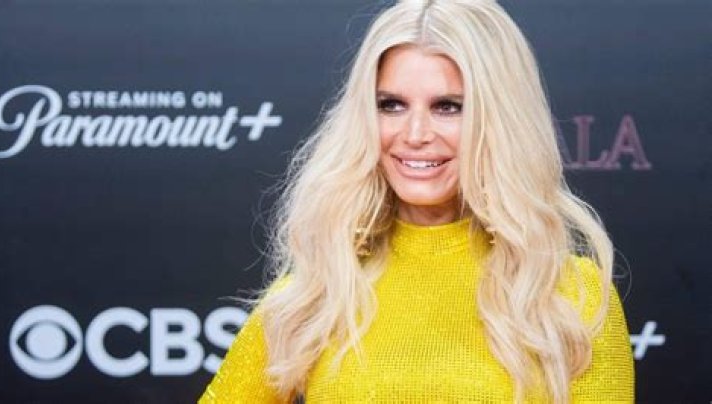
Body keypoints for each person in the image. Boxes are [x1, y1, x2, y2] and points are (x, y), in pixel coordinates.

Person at [199, 0, 634, 402]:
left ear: (499, 118)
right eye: (391, 105)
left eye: (448, 106)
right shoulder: (322, 290)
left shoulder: (570, 294)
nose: (415, 134)